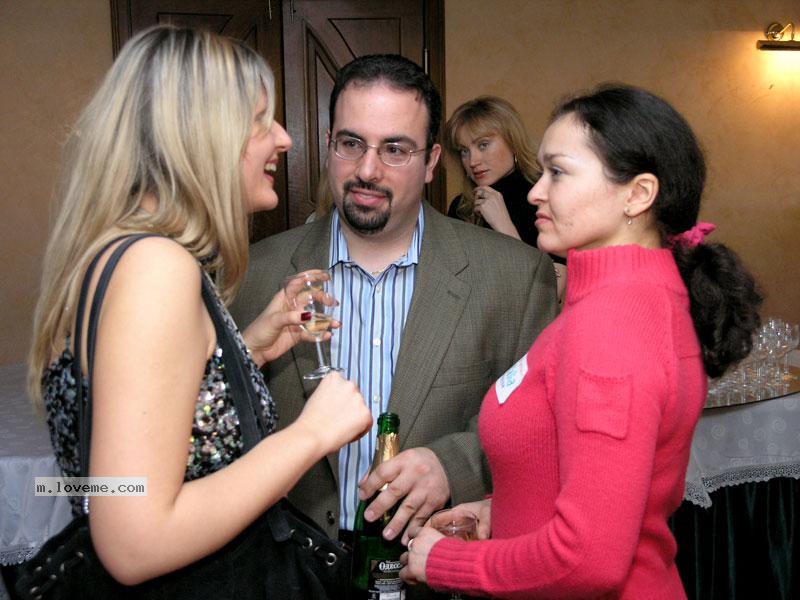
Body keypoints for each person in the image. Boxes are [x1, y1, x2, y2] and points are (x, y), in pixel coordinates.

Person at [26, 25, 371, 589]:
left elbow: (155, 425)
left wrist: (248, 349)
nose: (284, 138)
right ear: (200, 135)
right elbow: (135, 541)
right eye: (260, 121)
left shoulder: (121, 251)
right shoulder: (156, 266)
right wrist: (311, 434)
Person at [401, 84, 762, 598]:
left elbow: (588, 559)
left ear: (638, 194)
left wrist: (446, 562)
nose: (535, 192)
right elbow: (594, 485)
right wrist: (501, 512)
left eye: (559, 172)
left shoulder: (613, 324)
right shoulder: (621, 299)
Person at [230, 54, 558, 563]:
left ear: (430, 163)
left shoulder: (513, 277)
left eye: (396, 150)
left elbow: (545, 427)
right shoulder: (250, 273)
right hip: (286, 569)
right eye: (351, 143)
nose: (367, 170)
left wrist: (455, 465)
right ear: (329, 145)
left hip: (435, 571)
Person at [445, 95, 567, 298]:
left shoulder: (544, 197)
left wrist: (504, 227)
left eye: (483, 145)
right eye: (464, 151)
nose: (473, 161)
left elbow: (550, 293)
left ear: (512, 141)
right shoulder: (462, 206)